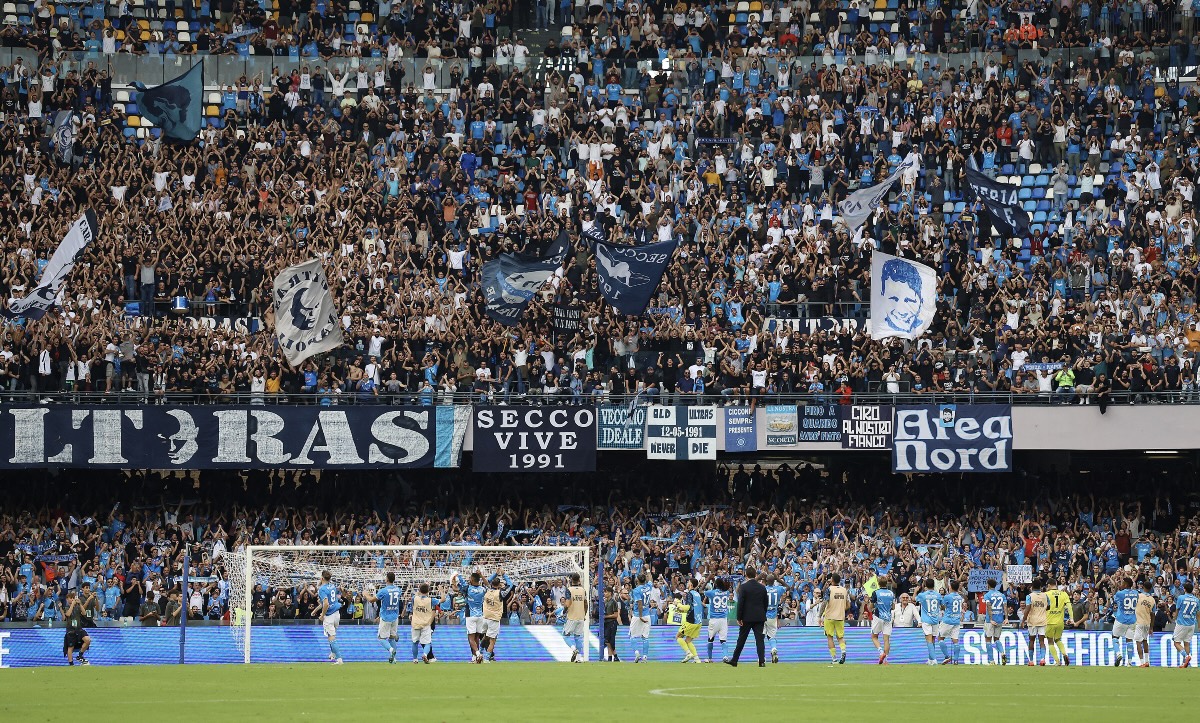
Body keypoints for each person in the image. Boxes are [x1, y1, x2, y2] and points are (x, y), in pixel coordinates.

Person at [725, 566, 768, 667]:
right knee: (760, 640)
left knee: (741, 639)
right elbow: (765, 603)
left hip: (746, 618)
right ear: (755, 575)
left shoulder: (744, 587)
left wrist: (739, 618)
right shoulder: (762, 587)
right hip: (759, 617)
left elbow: (741, 603)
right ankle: (761, 661)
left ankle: (735, 660)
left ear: (746, 575)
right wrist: (763, 613)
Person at [878, 258, 927, 335]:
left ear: (921, 301)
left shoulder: (924, 328)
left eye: (909, 300)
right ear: (882, 297)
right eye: (894, 299)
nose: (901, 311)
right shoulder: (879, 328)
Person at [365, 571, 402, 663]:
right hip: (395, 616)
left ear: (387, 579)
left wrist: (365, 594)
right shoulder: (398, 590)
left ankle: (391, 650)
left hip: (386, 617)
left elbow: (371, 600)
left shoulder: (383, 591)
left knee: (381, 639)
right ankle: (394, 659)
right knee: (392, 637)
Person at [454, 570, 489, 663]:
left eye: (470, 578)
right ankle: (474, 658)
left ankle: (478, 654)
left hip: (471, 616)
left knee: (470, 638)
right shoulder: (483, 589)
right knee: (477, 637)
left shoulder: (468, 588)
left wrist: (457, 575)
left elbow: (459, 585)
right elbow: (488, 585)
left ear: (472, 580)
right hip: (480, 616)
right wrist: (481, 575)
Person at [479, 569, 511, 663]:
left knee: (485, 637)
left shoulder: (486, 590)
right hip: (494, 619)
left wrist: (495, 574)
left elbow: (486, 581)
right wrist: (504, 574)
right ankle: (486, 658)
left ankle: (479, 653)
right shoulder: (500, 593)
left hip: (485, 617)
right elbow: (510, 585)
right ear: (500, 584)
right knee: (493, 640)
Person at [822, 572, 850, 664]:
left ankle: (834, 659)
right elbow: (848, 605)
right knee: (840, 637)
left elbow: (825, 602)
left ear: (832, 580)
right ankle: (843, 651)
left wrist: (820, 615)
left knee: (830, 637)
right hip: (840, 617)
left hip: (829, 616)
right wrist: (840, 609)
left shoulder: (829, 589)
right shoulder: (844, 590)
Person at [316, 570, 343, 665]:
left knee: (331, 637)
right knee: (331, 635)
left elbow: (326, 604)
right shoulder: (332, 586)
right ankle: (333, 654)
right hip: (337, 613)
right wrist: (315, 611)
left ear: (322, 578)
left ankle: (339, 659)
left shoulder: (322, 589)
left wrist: (322, 615)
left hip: (329, 615)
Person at [1045, 580, 1075, 666]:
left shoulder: (1046, 594)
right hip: (1060, 622)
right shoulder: (1063, 594)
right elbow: (1069, 606)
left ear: (1049, 585)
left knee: (1050, 642)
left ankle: (1057, 661)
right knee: (1058, 639)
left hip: (1049, 621)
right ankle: (1064, 654)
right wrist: (1071, 618)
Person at [867, 575, 895, 665]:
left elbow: (870, 608)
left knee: (874, 636)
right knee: (886, 639)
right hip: (888, 617)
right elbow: (893, 607)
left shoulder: (876, 592)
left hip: (878, 617)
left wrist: (869, 605)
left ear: (878, 584)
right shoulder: (891, 593)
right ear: (886, 583)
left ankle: (881, 652)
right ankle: (886, 660)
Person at [560, 573, 587, 663]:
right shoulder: (583, 590)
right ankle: (579, 658)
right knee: (578, 637)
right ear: (579, 580)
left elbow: (567, 604)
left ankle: (574, 649)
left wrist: (563, 612)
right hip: (581, 617)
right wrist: (584, 615)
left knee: (565, 635)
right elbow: (585, 604)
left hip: (572, 617)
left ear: (571, 580)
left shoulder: (569, 590)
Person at [1112, 577, 1139, 666]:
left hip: (1121, 619)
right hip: (1132, 620)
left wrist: (1116, 586)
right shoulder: (1136, 593)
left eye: (1123, 583)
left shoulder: (1120, 593)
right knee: (1129, 640)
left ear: (1126, 585)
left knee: (1115, 637)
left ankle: (1118, 654)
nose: (1121, 584)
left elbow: (1114, 598)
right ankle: (1129, 663)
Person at [1022, 577, 1049, 666]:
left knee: (1031, 640)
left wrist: (1023, 620)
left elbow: (1027, 608)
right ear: (1041, 587)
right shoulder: (1045, 595)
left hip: (1032, 621)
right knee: (1042, 641)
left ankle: (1031, 661)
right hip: (1042, 620)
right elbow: (1048, 606)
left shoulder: (1029, 596)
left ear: (1032, 587)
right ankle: (1042, 659)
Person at [668, 591, 702, 663]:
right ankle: (696, 658)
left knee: (678, 637)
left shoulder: (690, 594)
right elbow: (689, 609)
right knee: (688, 641)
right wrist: (679, 608)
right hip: (698, 621)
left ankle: (688, 653)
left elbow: (688, 607)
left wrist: (678, 603)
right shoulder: (697, 595)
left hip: (691, 622)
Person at [915, 578, 943, 665]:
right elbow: (942, 605)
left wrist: (916, 591)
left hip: (926, 620)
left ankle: (934, 659)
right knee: (933, 639)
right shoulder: (938, 595)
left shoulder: (922, 595)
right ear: (934, 585)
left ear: (925, 585)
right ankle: (930, 659)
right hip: (935, 619)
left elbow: (914, 599)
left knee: (929, 640)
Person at [982, 578, 1009, 665]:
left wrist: (990, 619)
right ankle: (1002, 652)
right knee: (997, 639)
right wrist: (1006, 618)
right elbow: (1005, 606)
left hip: (990, 621)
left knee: (988, 639)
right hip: (1000, 619)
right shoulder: (1001, 595)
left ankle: (991, 660)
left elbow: (989, 607)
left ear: (988, 585)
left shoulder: (987, 595)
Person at [62, 589, 92, 666]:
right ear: (67, 599)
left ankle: (80, 655)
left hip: (79, 629)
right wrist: (72, 604)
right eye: (70, 598)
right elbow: (67, 614)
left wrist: (80, 604)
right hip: (71, 630)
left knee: (87, 640)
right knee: (70, 647)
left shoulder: (78, 606)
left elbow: (84, 613)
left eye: (73, 598)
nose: (72, 600)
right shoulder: (66, 607)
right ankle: (71, 664)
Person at [705, 578, 731, 663]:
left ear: (715, 585)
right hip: (723, 619)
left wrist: (707, 580)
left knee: (710, 639)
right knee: (723, 640)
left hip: (714, 619)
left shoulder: (711, 593)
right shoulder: (726, 593)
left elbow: (702, 590)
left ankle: (709, 658)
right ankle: (725, 656)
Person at [1172, 581, 1198, 668]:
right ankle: (1185, 664)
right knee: (1187, 643)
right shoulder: (1196, 599)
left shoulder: (1181, 597)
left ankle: (1186, 657)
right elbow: (1198, 613)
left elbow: (1177, 609)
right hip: (1192, 624)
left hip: (1182, 623)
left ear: (1185, 589)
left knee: (1176, 643)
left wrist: (1174, 618)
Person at [939, 579, 965, 665]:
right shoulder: (960, 597)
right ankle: (956, 660)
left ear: (950, 587)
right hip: (956, 621)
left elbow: (942, 606)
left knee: (940, 638)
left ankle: (947, 656)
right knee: (955, 641)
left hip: (947, 620)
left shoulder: (947, 597)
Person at [410, 582, 436, 664]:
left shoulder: (414, 598)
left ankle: (415, 659)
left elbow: (416, 595)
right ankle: (425, 654)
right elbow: (443, 600)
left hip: (416, 623)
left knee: (415, 642)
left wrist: (420, 590)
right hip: (425, 624)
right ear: (428, 590)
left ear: (419, 590)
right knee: (427, 643)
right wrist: (441, 591)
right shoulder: (431, 600)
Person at [629, 573, 652, 663]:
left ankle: (637, 653)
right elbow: (651, 579)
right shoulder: (649, 586)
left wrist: (640, 616)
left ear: (637, 580)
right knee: (645, 637)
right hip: (647, 615)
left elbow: (639, 603)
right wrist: (648, 570)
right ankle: (645, 657)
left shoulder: (636, 590)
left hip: (638, 615)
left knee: (632, 636)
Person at [765, 575, 786, 663]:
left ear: (766, 581)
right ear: (774, 581)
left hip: (763, 615)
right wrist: (778, 579)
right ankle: (773, 648)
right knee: (772, 636)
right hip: (773, 616)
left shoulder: (763, 589)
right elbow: (788, 587)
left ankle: (761, 657)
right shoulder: (778, 589)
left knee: (760, 636)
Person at [1134, 579, 1156, 668]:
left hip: (1138, 622)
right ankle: (1147, 661)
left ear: (1143, 587)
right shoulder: (1152, 600)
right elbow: (1153, 614)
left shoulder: (1138, 596)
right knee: (1145, 640)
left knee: (1138, 642)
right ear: (1151, 588)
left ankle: (1142, 662)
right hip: (1147, 622)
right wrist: (1151, 627)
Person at [602, 587, 621, 662]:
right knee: (607, 640)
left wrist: (606, 616)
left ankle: (615, 656)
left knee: (611, 640)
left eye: (606, 592)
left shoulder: (613, 602)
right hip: (606, 623)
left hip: (612, 622)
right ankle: (610, 657)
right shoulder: (605, 601)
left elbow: (616, 615)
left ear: (610, 593)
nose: (604, 593)